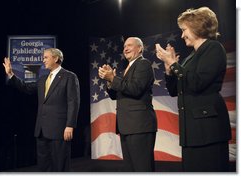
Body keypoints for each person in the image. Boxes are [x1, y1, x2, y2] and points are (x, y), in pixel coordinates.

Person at [155, 7, 231, 172]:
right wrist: (169, 68)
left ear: (198, 27)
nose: (182, 35)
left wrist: (175, 64)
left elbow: (197, 83)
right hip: (192, 130)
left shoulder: (214, 48)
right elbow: (176, 90)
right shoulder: (192, 57)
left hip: (208, 130)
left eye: (184, 30)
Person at [3, 48, 80, 172]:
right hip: (41, 130)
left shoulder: (69, 76)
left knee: (60, 166)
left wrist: (70, 125)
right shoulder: (43, 79)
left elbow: (73, 102)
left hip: (59, 130)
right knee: (44, 167)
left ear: (56, 58)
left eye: (46, 57)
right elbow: (26, 87)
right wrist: (11, 74)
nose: (43, 60)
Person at [98, 37, 157, 172]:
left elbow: (135, 89)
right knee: (131, 169)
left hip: (139, 125)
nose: (125, 48)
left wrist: (113, 78)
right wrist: (109, 81)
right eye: (124, 46)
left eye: (130, 45)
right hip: (127, 126)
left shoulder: (143, 64)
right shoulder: (127, 68)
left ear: (140, 48)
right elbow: (116, 95)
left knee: (142, 168)